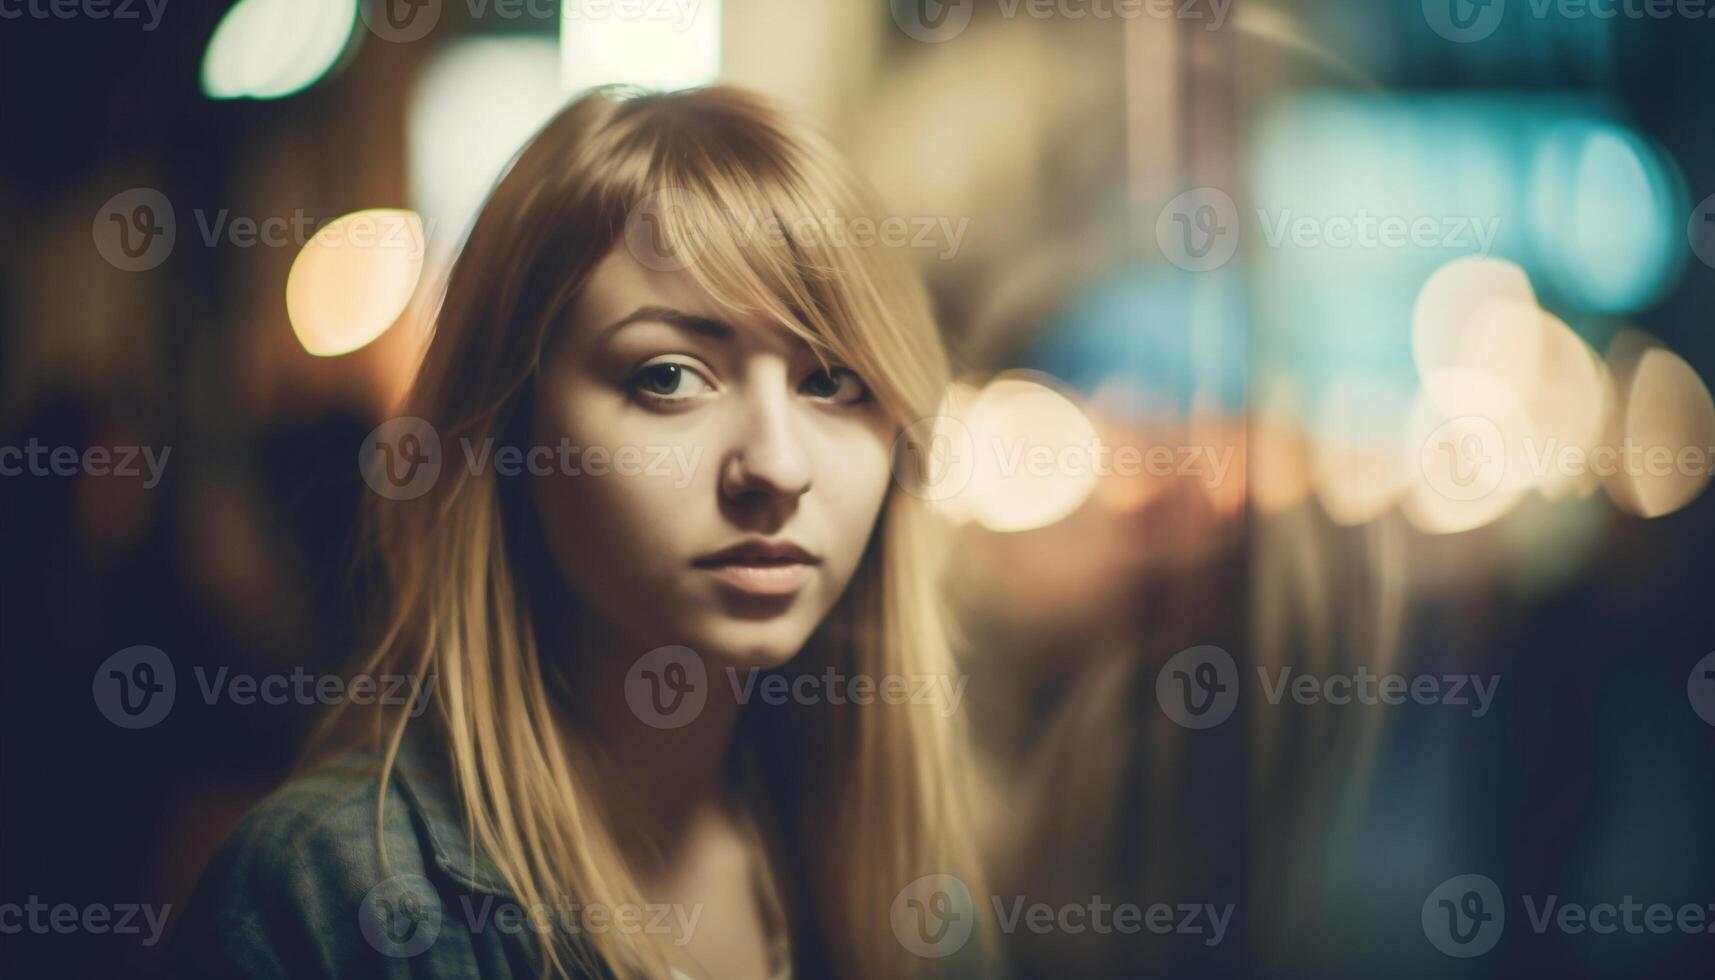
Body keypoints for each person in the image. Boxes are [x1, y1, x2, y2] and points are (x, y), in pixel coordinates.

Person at [166, 85, 996, 979]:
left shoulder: (904, 869)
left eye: (831, 381)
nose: (776, 466)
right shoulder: (328, 899)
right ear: (507, 429)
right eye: (669, 376)